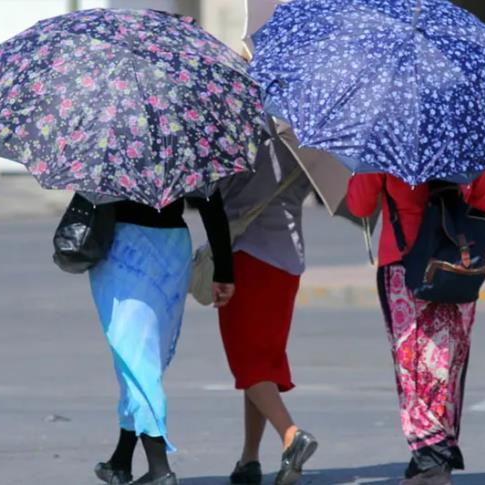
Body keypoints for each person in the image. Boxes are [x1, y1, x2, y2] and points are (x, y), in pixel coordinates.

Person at [346, 172, 485, 485]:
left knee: (413, 363)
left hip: (404, 266)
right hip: (457, 264)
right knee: (449, 362)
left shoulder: (388, 144)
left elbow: (359, 206)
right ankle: (436, 451)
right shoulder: (465, 141)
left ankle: (431, 458)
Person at [91, 193, 235, 485]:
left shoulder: (109, 147)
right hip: (172, 246)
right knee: (141, 360)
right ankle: (121, 460)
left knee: (137, 362)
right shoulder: (187, 147)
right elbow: (210, 202)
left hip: (125, 246)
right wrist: (224, 270)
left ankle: (160, 469)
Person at [217, 129, 318, 485]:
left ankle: (291, 435)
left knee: (249, 362)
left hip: (247, 254)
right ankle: (249, 458)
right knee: (263, 359)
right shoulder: (302, 134)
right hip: (288, 258)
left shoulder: (236, 130)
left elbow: (211, 194)